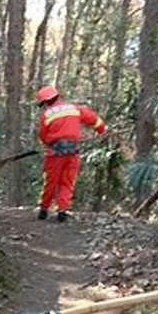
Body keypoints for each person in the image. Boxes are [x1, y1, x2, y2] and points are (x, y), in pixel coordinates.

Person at [35, 86, 106, 222]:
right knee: (67, 181)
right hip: (73, 151)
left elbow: (43, 136)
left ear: (46, 102)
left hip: (55, 153)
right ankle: (62, 211)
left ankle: (44, 210)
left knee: (51, 182)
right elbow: (94, 119)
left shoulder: (47, 114)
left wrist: (49, 144)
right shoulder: (74, 109)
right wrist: (102, 130)